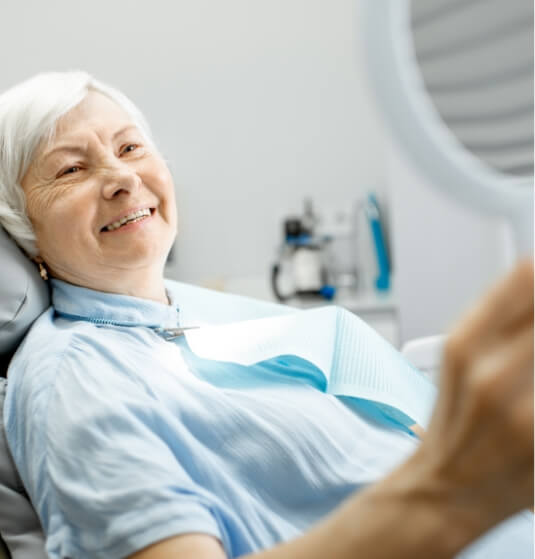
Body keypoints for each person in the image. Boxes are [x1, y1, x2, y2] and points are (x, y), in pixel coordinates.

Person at [0, 71, 533, 559]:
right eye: (71, 169)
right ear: (24, 231)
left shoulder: (182, 316)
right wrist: (454, 489)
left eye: (131, 147)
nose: (122, 178)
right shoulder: (74, 378)